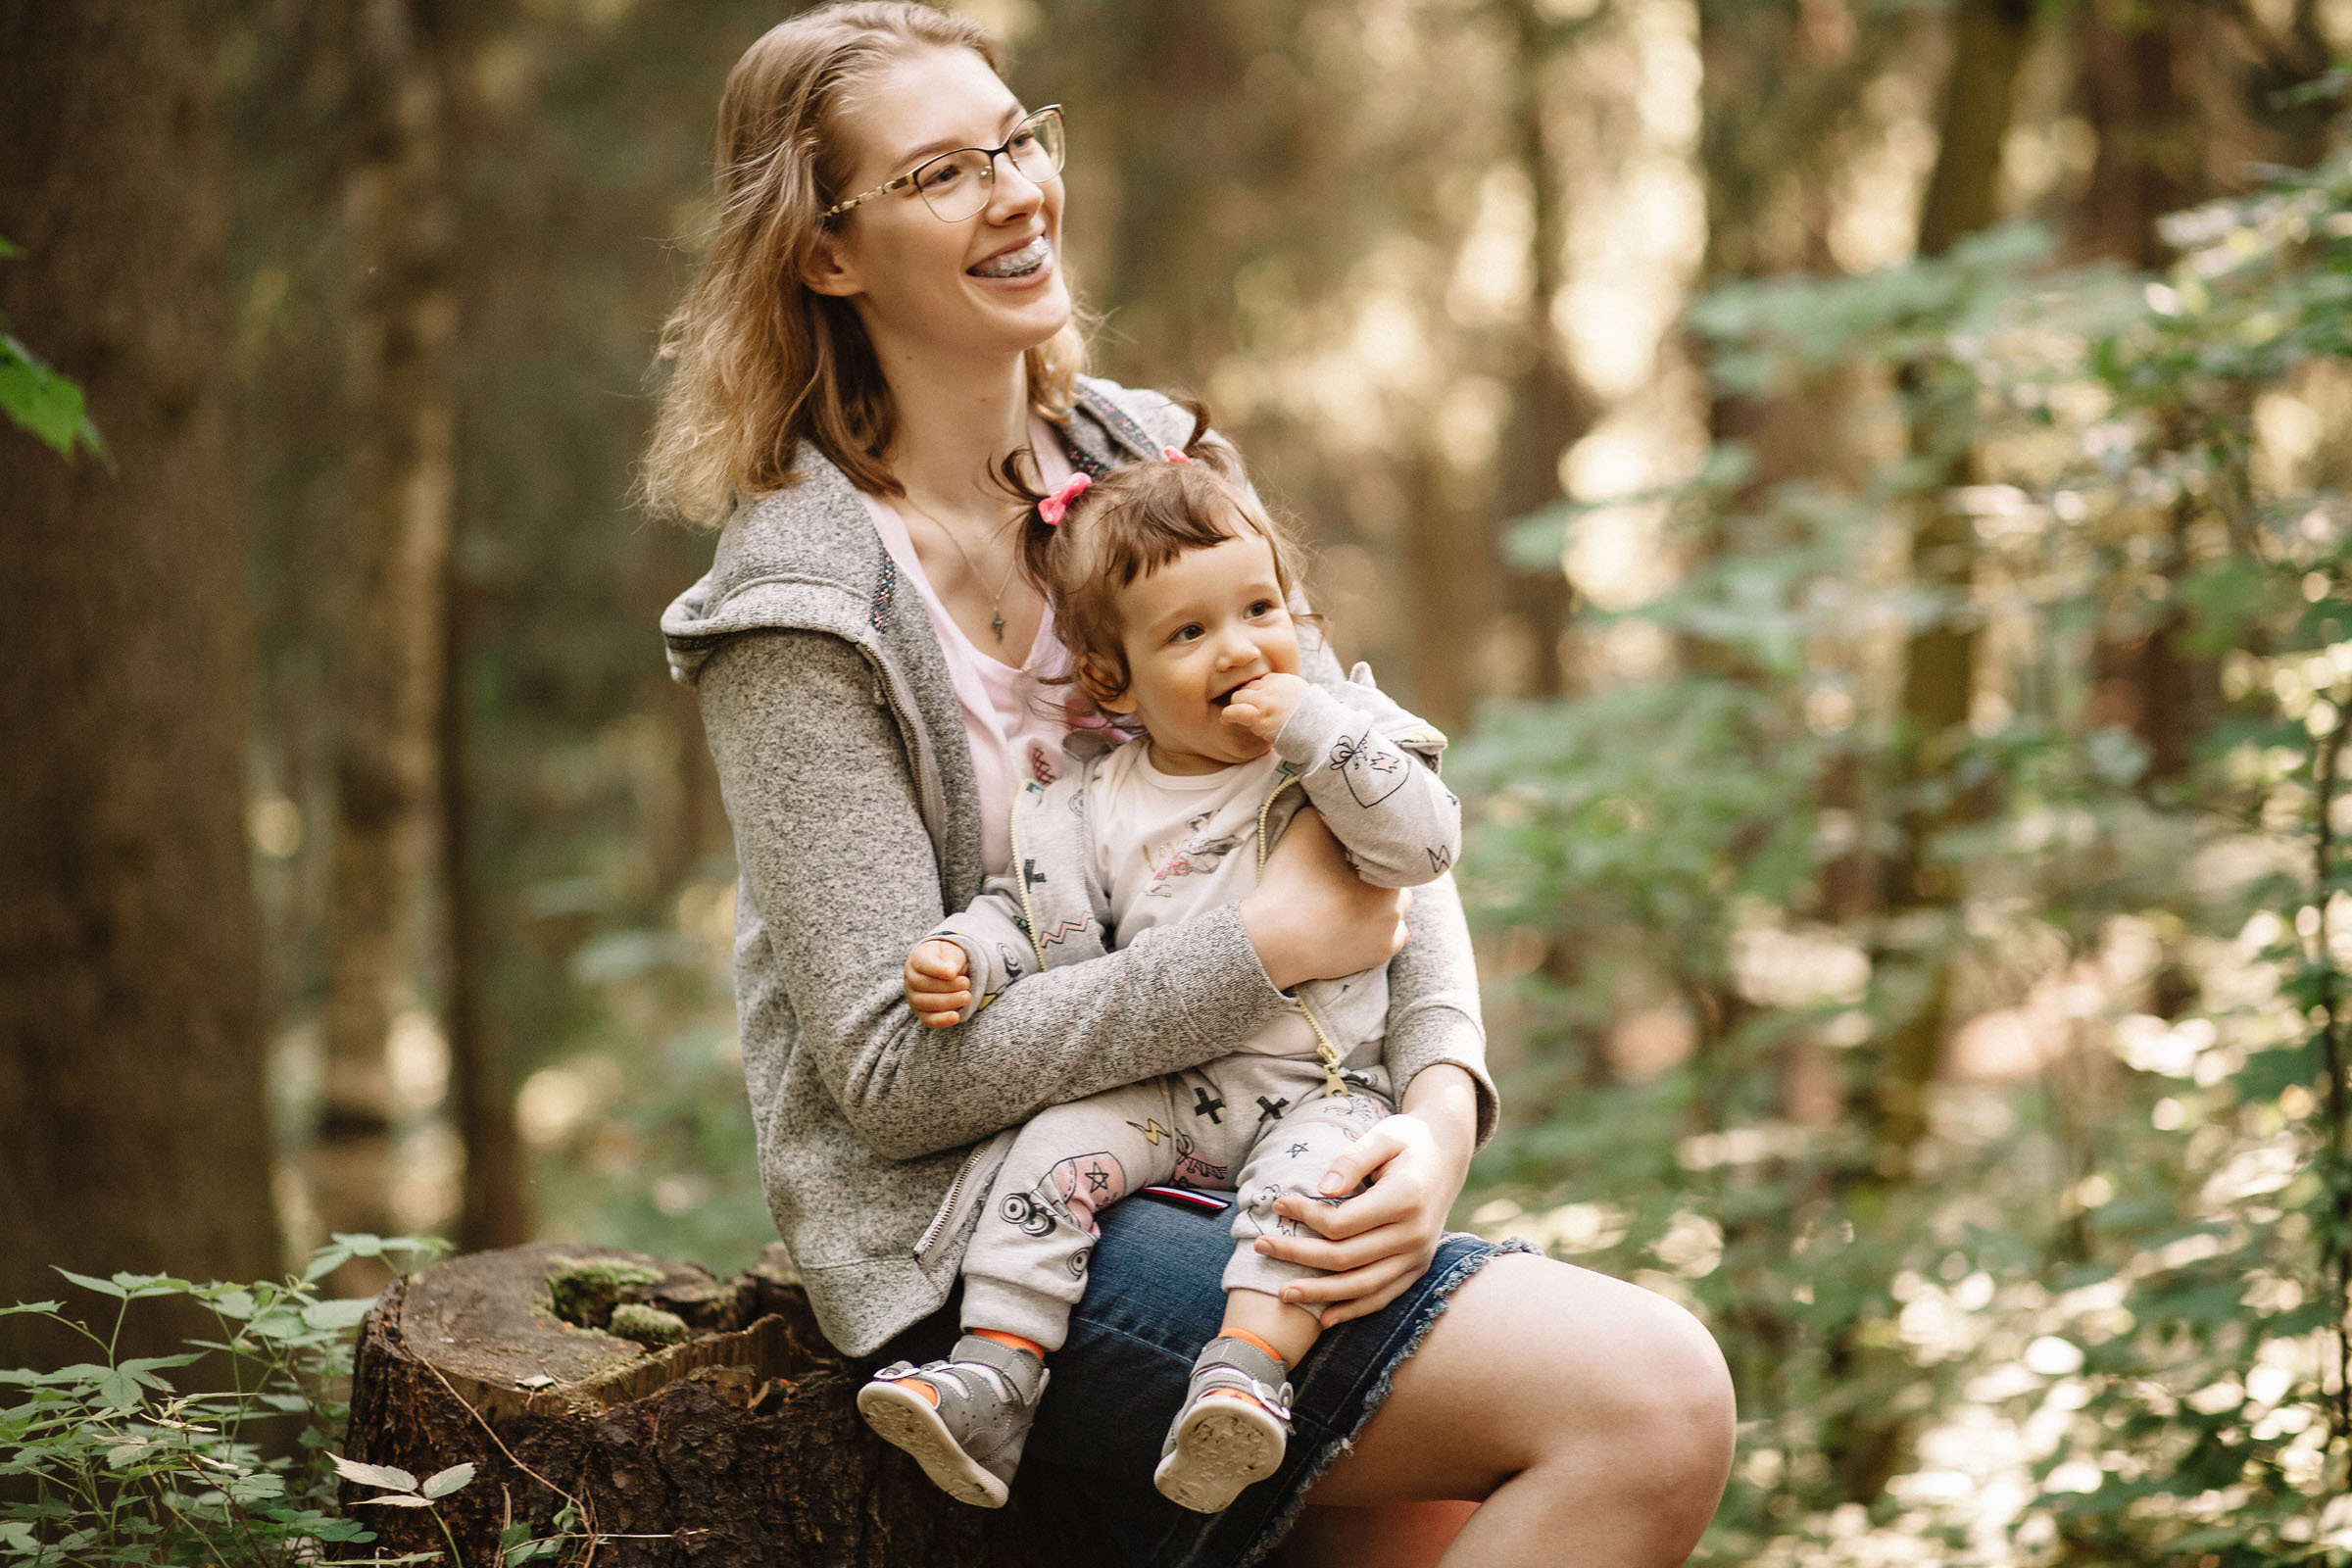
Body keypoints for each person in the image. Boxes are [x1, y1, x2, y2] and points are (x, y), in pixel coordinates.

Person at [645, 6, 1737, 1564]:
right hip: (988, 1247)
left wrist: (1434, 1122)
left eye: (1020, 140)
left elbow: (1367, 794)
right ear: (826, 254)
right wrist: (1259, 956)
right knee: (1648, 1399)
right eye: (945, 173)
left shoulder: (1144, 456)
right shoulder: (799, 607)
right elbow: (890, 1081)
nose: (1018, 190)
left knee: (1449, 1519)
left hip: (1274, 1143)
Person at [858, 433, 1462, 1514]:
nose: (1241, 651)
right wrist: (966, 955)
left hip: (1315, 1086)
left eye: (1261, 612)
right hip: (1161, 1088)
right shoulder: (1085, 801)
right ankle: (996, 1375)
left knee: (1311, 1197)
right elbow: (1028, 914)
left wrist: (1320, 727)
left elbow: (1424, 848)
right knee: (1047, 1155)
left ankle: (1242, 1380)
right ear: (1111, 675)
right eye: (1190, 632)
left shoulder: (1338, 752)